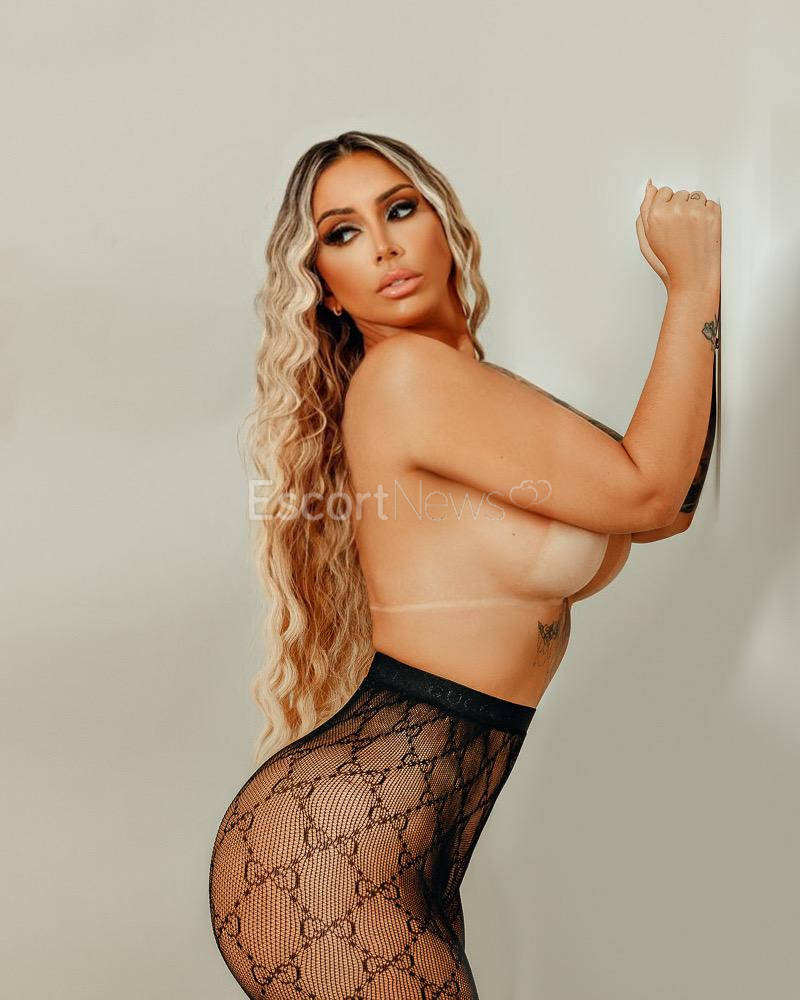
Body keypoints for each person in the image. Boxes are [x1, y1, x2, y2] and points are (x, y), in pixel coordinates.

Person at [208, 130, 720, 999]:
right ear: (324, 287)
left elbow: (655, 495)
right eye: (343, 233)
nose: (384, 246)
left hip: (404, 850)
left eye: (400, 209)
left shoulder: (465, 389)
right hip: (331, 854)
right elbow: (652, 493)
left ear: (444, 225)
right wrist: (694, 282)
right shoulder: (408, 377)